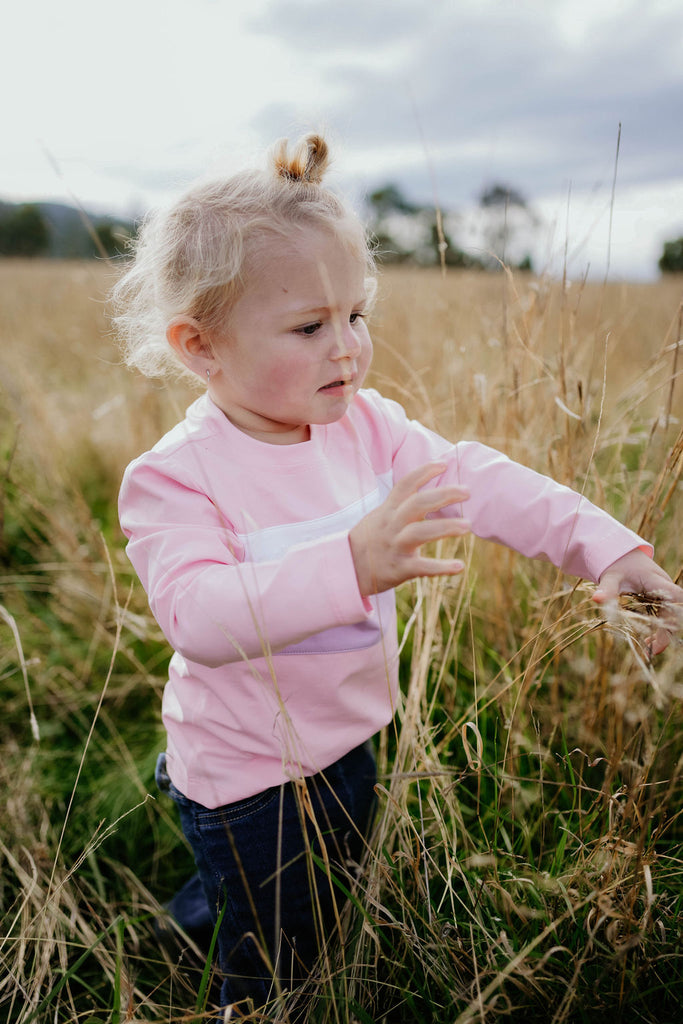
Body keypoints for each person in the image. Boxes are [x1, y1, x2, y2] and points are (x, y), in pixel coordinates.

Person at [114, 134, 682, 1015]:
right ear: (200, 346)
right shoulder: (177, 476)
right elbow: (197, 616)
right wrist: (348, 565)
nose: (346, 348)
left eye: (356, 315)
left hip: (351, 739)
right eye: (308, 326)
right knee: (281, 945)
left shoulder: (365, 427)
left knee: (323, 881)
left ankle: (192, 918)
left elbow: (479, 479)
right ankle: (241, 993)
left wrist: (606, 546)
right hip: (247, 775)